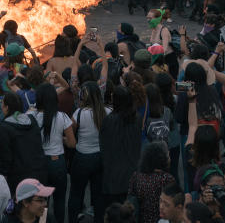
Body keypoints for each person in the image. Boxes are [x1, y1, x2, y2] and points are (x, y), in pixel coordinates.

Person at [28, 82, 75, 223]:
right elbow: (72, 143)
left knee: (42, 202)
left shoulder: (32, 116)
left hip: (39, 163)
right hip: (57, 163)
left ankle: (43, 221)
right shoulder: (62, 117)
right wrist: (61, 139)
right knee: (60, 201)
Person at [68, 80, 108, 223]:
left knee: (76, 193)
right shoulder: (107, 112)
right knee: (98, 195)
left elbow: (71, 134)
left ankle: (72, 219)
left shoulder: (78, 113)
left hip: (82, 158)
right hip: (100, 158)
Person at [0, 91, 47, 193]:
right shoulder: (32, 120)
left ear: (6, 107)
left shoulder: (3, 128)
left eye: (2, 104)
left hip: (17, 179)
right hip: (38, 173)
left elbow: (4, 158)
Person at [100, 85, 142, 208]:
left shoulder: (108, 120)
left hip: (113, 175)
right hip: (132, 172)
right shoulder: (136, 119)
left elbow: (104, 146)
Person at [127, 141, 176, 223]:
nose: (169, 158)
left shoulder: (136, 176)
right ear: (162, 159)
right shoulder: (167, 179)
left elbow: (130, 201)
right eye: (168, 155)